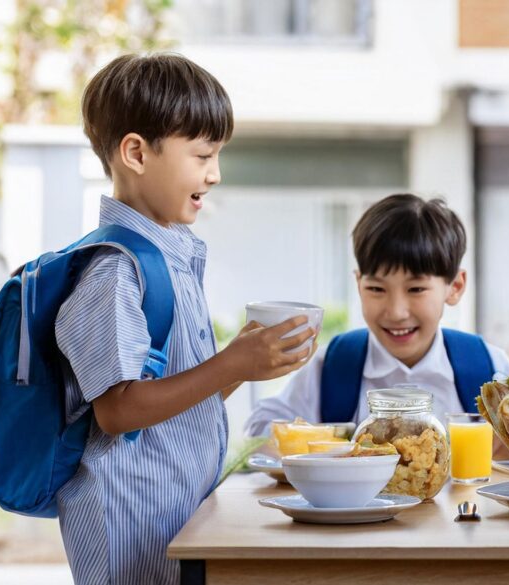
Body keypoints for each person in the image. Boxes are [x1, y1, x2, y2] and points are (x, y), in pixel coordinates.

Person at [54, 53, 316, 585]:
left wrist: (243, 365)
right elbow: (118, 411)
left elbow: (172, 401)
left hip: (173, 510)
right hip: (130, 521)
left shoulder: (171, 256)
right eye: (202, 155)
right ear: (136, 153)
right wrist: (230, 363)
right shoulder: (115, 271)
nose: (215, 174)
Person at [245, 193, 509, 439]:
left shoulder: (488, 369)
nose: (396, 312)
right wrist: (324, 444)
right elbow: (260, 426)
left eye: (416, 289)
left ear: (454, 287)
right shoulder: (333, 365)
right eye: (376, 289)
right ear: (358, 284)